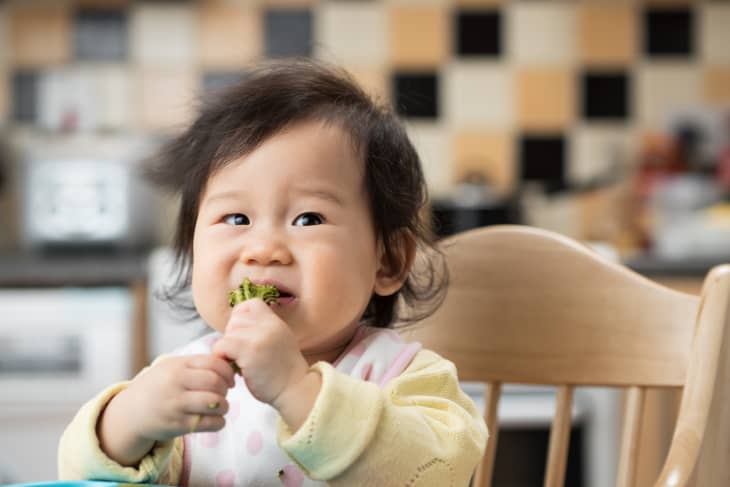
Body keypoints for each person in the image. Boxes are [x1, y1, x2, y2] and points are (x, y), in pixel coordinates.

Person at [58, 59, 487, 486]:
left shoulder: (405, 377)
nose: (263, 250)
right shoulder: (186, 381)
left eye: (307, 219)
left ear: (388, 261)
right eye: (236, 218)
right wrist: (128, 423)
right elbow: (78, 474)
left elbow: (436, 473)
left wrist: (295, 390)